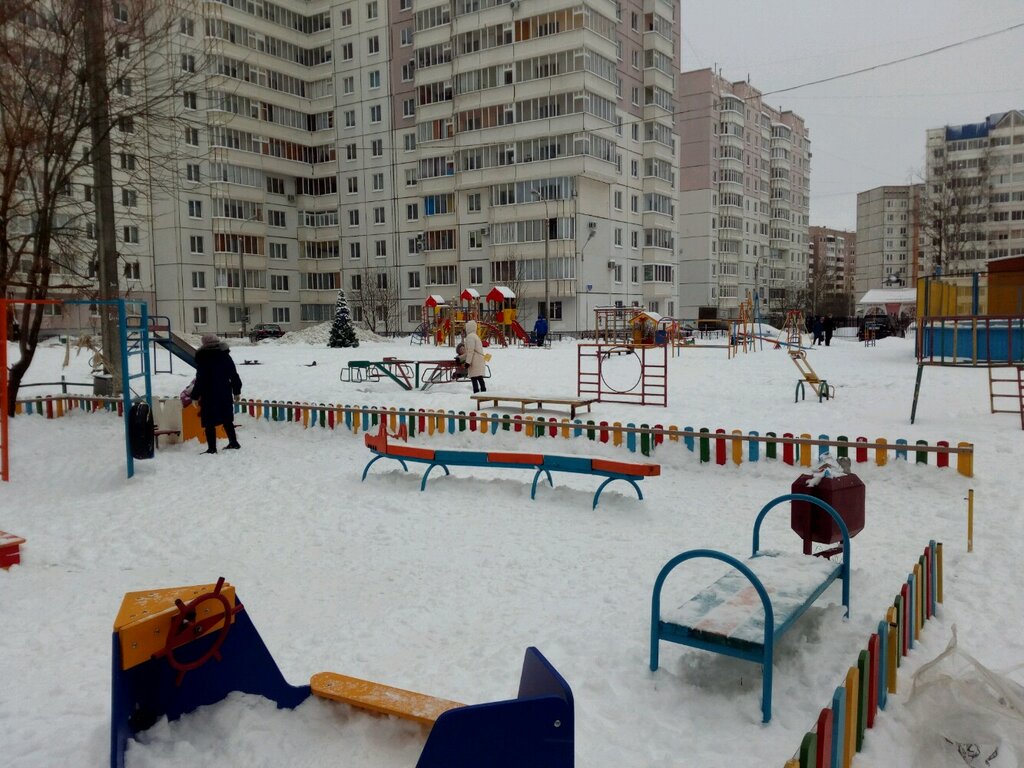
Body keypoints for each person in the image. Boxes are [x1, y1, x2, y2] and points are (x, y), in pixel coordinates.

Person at [193, 333, 242, 454]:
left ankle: (212, 448)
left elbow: (200, 379)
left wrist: (194, 395)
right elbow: (233, 374)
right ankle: (234, 442)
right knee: (227, 418)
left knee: (209, 421)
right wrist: (236, 391)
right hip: (224, 391)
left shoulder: (203, 357)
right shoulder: (224, 355)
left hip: (208, 393)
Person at [462, 320, 486, 393]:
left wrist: (467, 362)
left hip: (474, 361)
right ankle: (484, 393)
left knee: (474, 378)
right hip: (480, 360)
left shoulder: (470, 337)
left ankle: (476, 394)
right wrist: (460, 358)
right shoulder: (476, 336)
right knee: (479, 377)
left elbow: (470, 351)